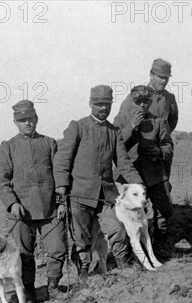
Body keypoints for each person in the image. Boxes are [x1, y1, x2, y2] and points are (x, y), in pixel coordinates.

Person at [53, 85, 142, 280]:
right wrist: (61, 193)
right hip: (79, 194)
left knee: (118, 227)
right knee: (81, 238)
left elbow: (124, 164)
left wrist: (140, 186)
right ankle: (83, 275)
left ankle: (121, 267)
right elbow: (62, 161)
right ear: (90, 103)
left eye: (107, 104)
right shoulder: (78, 127)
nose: (103, 108)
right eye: (99, 104)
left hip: (107, 195)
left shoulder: (114, 132)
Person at [0, 100, 67, 303]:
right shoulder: (8, 146)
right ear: (15, 122)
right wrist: (12, 203)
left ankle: (53, 286)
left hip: (50, 209)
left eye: (30, 119)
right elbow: (1, 180)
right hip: (22, 212)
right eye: (22, 120)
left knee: (57, 248)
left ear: (37, 119)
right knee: (24, 255)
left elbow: (60, 175)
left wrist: (61, 202)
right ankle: (28, 292)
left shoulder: (49, 143)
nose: (27, 123)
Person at [115, 85, 174, 258]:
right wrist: (132, 126)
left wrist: (159, 152)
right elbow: (115, 145)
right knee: (128, 213)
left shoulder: (159, 121)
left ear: (150, 102)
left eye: (146, 101)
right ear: (131, 101)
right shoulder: (121, 120)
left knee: (163, 210)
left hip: (154, 174)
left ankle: (159, 246)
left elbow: (168, 146)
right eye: (138, 101)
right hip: (129, 175)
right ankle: (130, 252)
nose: (142, 105)